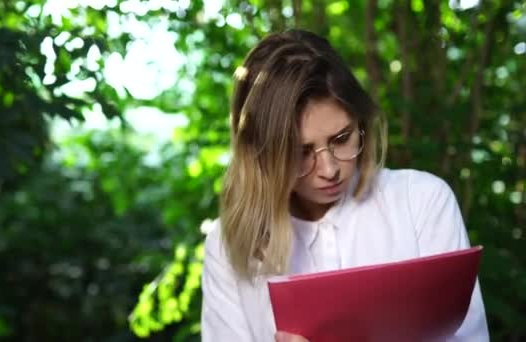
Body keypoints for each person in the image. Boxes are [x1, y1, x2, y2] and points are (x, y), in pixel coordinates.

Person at [200, 29, 489, 341]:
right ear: (261, 156)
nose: (329, 169)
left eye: (341, 139)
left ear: (361, 122)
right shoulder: (229, 247)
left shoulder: (420, 202)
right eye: (301, 152)